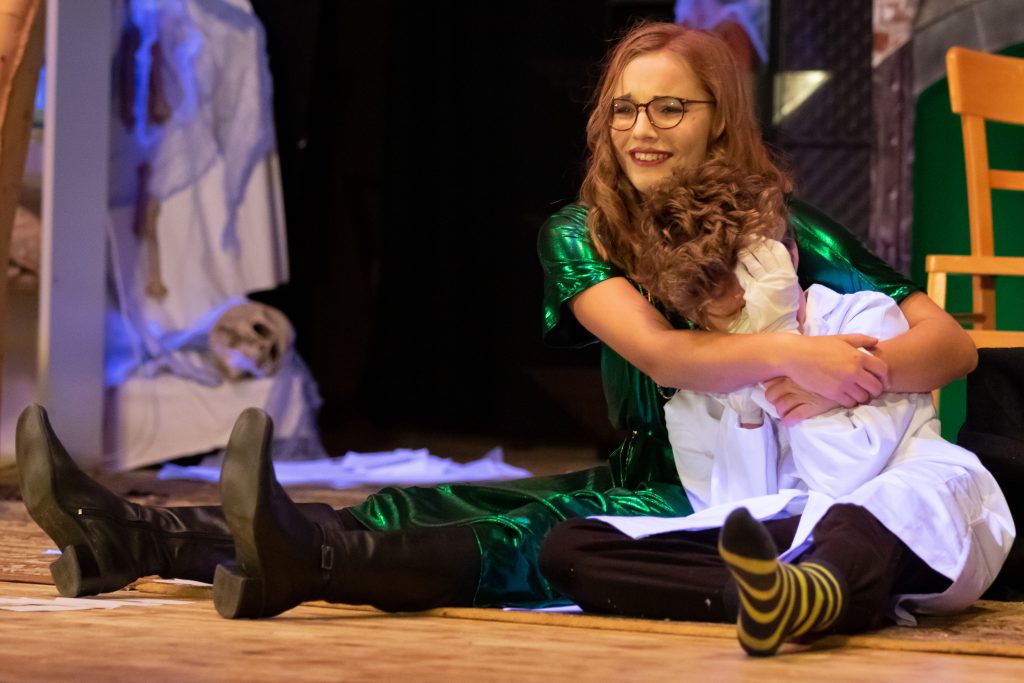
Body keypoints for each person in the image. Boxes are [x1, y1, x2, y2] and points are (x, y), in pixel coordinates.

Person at [15, 22, 977, 620]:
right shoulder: (585, 231)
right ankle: (141, 535)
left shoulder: (782, 220)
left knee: (512, 537)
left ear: (717, 120)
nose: (641, 130)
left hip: (744, 484)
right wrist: (796, 354)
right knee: (426, 507)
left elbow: (951, 343)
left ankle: (170, 544)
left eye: (669, 109)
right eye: (625, 109)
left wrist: (857, 370)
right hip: (651, 475)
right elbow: (662, 353)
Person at [535, 169, 1012, 656]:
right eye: (723, 310)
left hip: (888, 518)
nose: (745, 305)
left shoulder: (863, 318)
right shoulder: (699, 390)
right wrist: (753, 400)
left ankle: (809, 590)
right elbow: (738, 512)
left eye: (752, 272)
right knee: (570, 548)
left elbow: (845, 476)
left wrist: (788, 339)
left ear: (790, 255)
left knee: (868, 516)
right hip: (788, 535)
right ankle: (777, 598)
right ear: (695, 314)